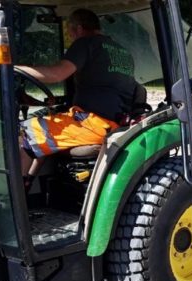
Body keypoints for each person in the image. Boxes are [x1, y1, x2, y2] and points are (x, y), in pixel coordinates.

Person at [13, 9, 138, 189]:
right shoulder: (121, 51)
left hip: (91, 123)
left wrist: (13, 69)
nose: (70, 36)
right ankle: (29, 180)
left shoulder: (85, 43)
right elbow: (105, 87)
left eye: (69, 31)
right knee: (43, 128)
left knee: (22, 134)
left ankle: (14, 198)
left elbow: (57, 74)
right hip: (112, 122)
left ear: (78, 28)